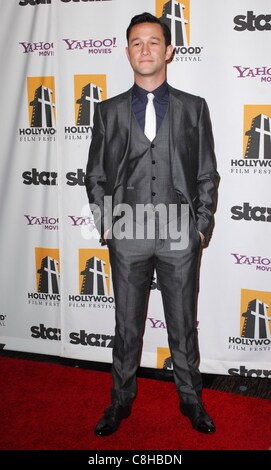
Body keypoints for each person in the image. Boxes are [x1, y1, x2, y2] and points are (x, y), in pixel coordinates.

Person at [85, 12, 219, 436]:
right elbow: (95, 175)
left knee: (183, 325)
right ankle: (120, 401)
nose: (145, 49)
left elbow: (206, 173)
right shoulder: (107, 111)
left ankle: (191, 400)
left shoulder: (194, 108)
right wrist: (106, 223)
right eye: (137, 43)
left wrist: (200, 227)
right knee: (127, 327)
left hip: (180, 232)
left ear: (170, 50)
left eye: (154, 42)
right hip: (127, 231)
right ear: (127, 52)